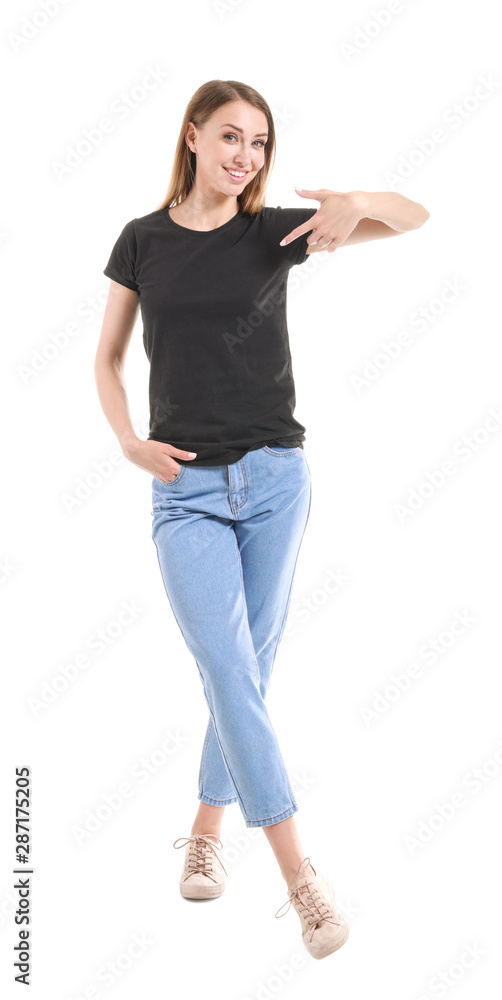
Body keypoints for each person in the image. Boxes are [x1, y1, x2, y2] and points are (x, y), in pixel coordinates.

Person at [94, 78, 429, 961]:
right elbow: (107, 358)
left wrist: (357, 203)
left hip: (278, 481)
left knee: (244, 671)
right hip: (185, 491)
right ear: (194, 136)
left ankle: (206, 828)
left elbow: (414, 216)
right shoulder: (144, 240)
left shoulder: (276, 229)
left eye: (259, 143)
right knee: (231, 668)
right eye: (231, 137)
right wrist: (128, 441)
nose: (245, 155)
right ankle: (302, 880)